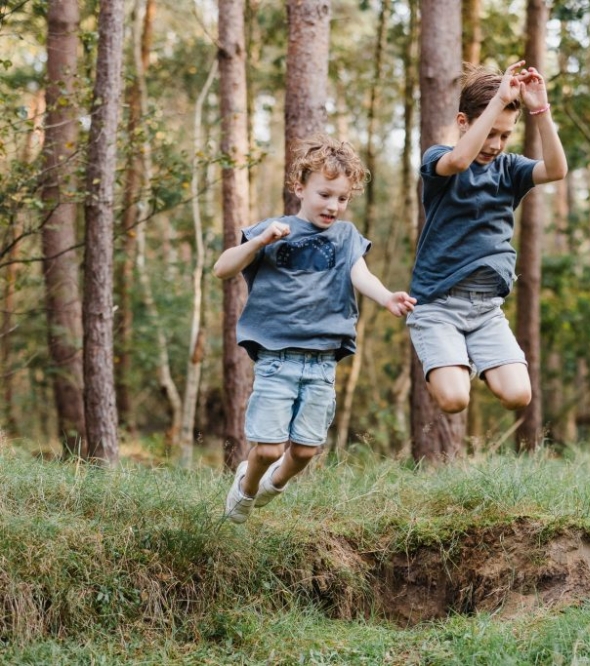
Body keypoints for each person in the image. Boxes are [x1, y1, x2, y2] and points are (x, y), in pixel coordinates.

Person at [214, 135, 416, 524]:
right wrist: (259, 241)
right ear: (299, 188)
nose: (333, 206)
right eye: (325, 194)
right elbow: (223, 269)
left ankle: (274, 485)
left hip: (322, 362)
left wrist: (387, 297)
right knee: (269, 449)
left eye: (342, 199)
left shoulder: (345, 237)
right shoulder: (273, 231)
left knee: (305, 451)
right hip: (276, 358)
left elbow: (361, 274)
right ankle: (247, 487)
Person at [407, 59, 568, 414]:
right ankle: (445, 356)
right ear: (462, 122)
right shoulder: (440, 160)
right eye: (489, 132)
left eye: (504, 135)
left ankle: (463, 355)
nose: (496, 144)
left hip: (485, 309)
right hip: (437, 304)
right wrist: (498, 100)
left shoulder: (510, 170)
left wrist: (539, 108)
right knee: (454, 399)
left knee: (518, 394)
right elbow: (460, 161)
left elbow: (556, 169)